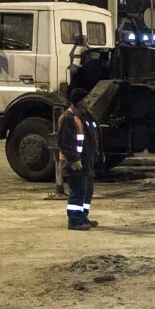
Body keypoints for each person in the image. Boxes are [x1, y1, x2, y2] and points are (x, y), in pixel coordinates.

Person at [57, 88, 102, 231]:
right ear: (78, 102)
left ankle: (83, 216)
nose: (88, 101)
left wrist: (99, 153)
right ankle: (75, 221)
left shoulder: (87, 116)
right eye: (85, 99)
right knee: (78, 190)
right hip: (76, 162)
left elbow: (95, 136)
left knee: (87, 190)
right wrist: (74, 159)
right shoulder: (69, 118)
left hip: (87, 161)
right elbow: (65, 142)